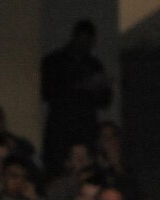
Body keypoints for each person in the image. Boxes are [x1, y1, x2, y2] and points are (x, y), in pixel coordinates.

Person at [39, 19, 112, 171]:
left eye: (89, 41)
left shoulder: (94, 65)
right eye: (82, 40)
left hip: (86, 127)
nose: (85, 45)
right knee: (59, 168)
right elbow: (47, 92)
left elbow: (105, 101)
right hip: (60, 128)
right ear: (75, 37)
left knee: (87, 168)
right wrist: (82, 86)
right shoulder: (54, 61)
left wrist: (102, 86)